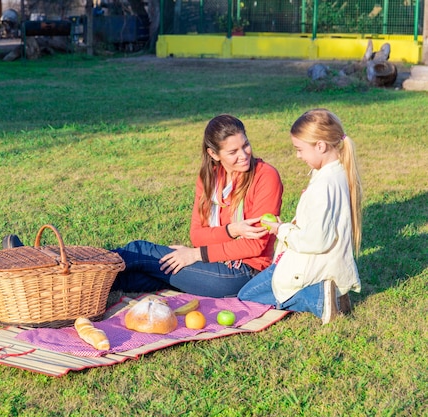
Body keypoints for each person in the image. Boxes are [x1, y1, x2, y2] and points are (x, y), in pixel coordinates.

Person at [109, 114, 283, 298]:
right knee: (137, 278)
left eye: (245, 145)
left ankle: (84, 264)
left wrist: (195, 255)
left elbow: (254, 246)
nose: (244, 155)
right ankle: (85, 286)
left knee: (141, 251)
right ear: (213, 154)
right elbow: (197, 236)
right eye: (233, 152)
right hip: (214, 263)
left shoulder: (265, 176)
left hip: (243, 273)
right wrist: (232, 230)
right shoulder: (210, 178)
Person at [237, 108, 362, 325]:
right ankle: (329, 293)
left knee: (246, 296)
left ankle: (319, 298)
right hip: (324, 263)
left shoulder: (322, 187)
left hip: (308, 264)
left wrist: (281, 230)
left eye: (300, 149)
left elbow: (316, 240)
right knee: (261, 288)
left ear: (320, 146)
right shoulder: (338, 172)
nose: (298, 156)